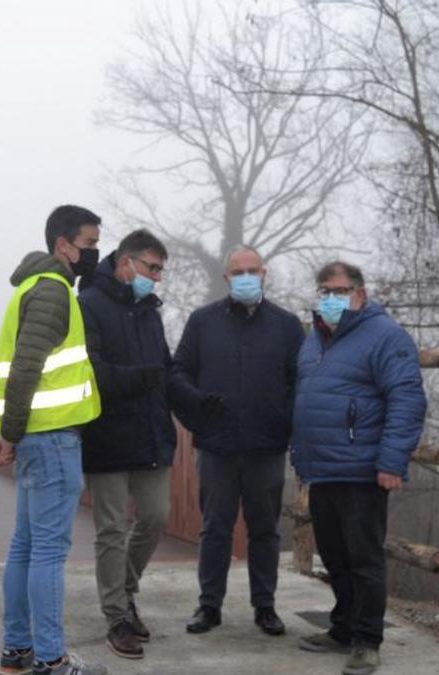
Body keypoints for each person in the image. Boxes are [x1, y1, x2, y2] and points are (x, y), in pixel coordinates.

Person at [0, 205, 109, 675]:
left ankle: (18, 650)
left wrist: (6, 433)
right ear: (63, 245)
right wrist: (9, 435)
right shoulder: (53, 291)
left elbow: (16, 370)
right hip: (52, 438)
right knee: (48, 552)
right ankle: (52, 660)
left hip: (35, 436)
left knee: (25, 546)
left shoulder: (28, 289)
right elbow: (24, 371)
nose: (93, 253)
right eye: (90, 244)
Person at [292, 262, 426, 675]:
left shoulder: (386, 336)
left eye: (340, 290)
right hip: (322, 469)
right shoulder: (314, 341)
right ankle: (342, 627)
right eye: (324, 290)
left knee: (364, 559)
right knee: (334, 556)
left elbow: (406, 400)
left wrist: (391, 461)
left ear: (360, 294)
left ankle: (367, 640)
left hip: (363, 470)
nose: (331, 298)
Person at [171, 244, 305, 638]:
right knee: (215, 529)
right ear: (227, 278)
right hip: (217, 446)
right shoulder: (202, 322)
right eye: (238, 272)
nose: (246, 277)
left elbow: (301, 381)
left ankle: (265, 606)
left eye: (253, 270)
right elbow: (178, 373)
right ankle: (208, 605)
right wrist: (196, 408)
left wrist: (287, 423)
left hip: (267, 446)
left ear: (264, 274)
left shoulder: (286, 325)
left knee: (265, 530)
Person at [78, 229, 178, 660]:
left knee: (156, 516)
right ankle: (116, 615)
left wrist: (198, 406)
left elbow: (167, 371)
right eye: (151, 268)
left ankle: (126, 591)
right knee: (112, 529)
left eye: (160, 270)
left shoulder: (150, 312)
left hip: (151, 434)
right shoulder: (89, 306)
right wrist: (143, 377)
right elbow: (92, 372)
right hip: (107, 435)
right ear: (126, 263)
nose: (156, 278)